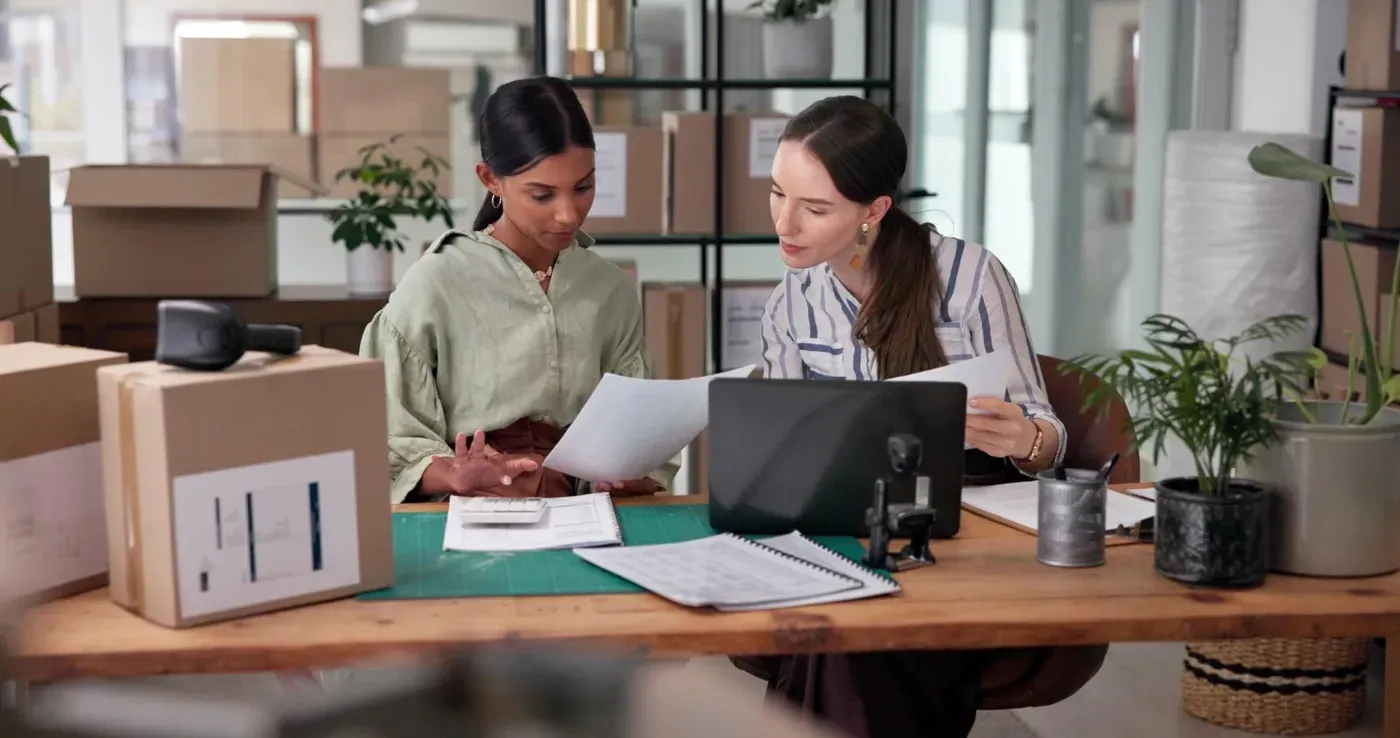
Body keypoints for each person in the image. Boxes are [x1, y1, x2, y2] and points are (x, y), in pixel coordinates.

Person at [741, 95, 1069, 737]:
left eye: (814, 208)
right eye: (778, 194)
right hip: (843, 533)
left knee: (841, 638)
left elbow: (1049, 440)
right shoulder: (791, 301)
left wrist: (1021, 437)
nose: (786, 222)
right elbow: (779, 455)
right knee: (840, 629)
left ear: (874, 212)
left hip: (958, 536)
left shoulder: (971, 277)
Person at [360, 76, 676, 503]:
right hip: (469, 517)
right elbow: (385, 446)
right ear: (490, 179)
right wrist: (454, 475)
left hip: (585, 514)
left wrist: (629, 475)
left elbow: (634, 431)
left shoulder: (609, 289)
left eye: (583, 187)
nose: (568, 214)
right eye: (542, 194)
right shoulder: (436, 282)